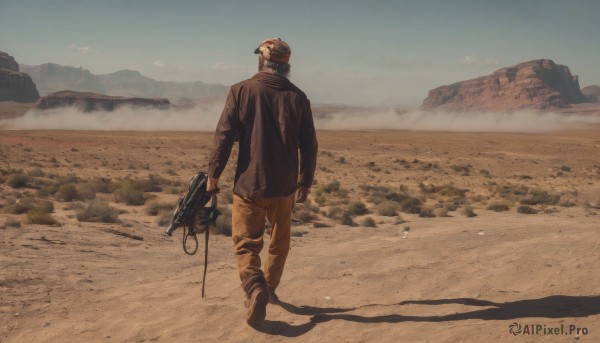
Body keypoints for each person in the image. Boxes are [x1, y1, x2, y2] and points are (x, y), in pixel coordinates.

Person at [207, 37, 318, 325]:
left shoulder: (241, 90)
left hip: (250, 184)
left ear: (262, 60)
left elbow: (224, 137)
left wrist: (213, 175)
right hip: (285, 186)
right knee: (280, 241)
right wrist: (305, 180)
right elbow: (309, 144)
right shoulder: (299, 97)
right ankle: (268, 288)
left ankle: (255, 287)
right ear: (286, 66)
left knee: (245, 243)